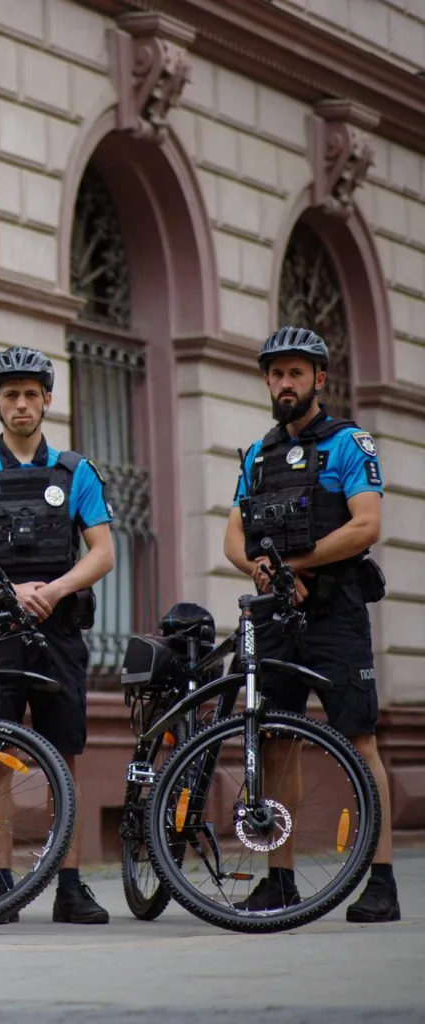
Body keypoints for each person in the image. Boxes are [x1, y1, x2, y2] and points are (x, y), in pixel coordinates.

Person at [0, 346, 115, 925]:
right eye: (10, 394)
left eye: (31, 394)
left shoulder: (75, 471)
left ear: (47, 402)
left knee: (65, 758)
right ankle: (2, 885)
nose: (20, 404)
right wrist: (4, 589)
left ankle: (69, 885)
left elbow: (104, 552)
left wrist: (55, 589)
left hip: (58, 631)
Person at [223, 325, 398, 923]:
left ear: (319, 379)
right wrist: (263, 569)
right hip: (278, 615)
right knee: (275, 738)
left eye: (296, 373)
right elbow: (233, 536)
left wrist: (294, 563)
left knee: (361, 739)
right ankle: (279, 879)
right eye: (276, 374)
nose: (284, 383)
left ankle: (381, 880)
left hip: (335, 613)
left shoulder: (350, 443)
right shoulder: (257, 454)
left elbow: (365, 525)